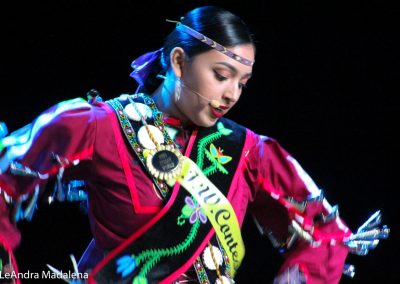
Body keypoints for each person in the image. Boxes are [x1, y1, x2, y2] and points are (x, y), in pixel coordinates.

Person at [0, 6, 389, 284]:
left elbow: (328, 234)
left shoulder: (250, 152)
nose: (232, 94)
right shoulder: (98, 125)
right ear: (179, 62)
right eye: (222, 75)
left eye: (242, 82)